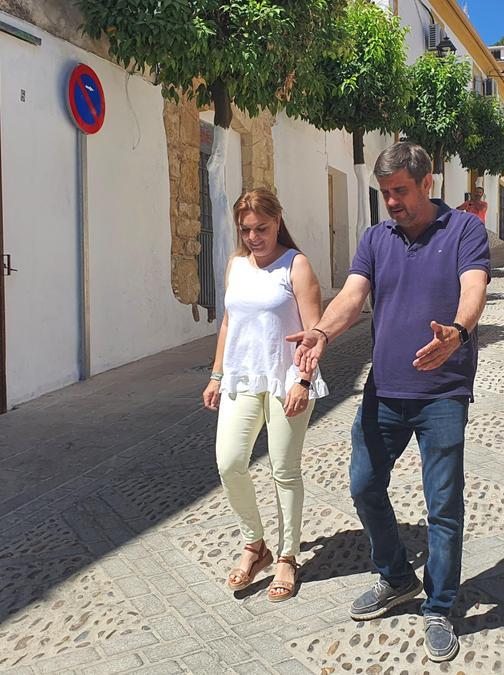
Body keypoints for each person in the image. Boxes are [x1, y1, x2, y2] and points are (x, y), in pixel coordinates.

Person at [287, 142, 490, 662]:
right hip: (384, 391)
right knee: (363, 485)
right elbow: (352, 296)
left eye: (401, 191)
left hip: (443, 393)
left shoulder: (465, 230)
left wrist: (459, 333)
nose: (392, 203)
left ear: (428, 183)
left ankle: (440, 606)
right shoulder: (376, 238)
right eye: (385, 194)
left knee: (443, 505)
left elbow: (474, 289)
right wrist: (322, 333)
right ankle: (397, 576)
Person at [202, 188, 328, 602]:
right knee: (230, 462)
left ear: (277, 222)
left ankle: (287, 557)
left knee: (283, 470)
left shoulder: (297, 265)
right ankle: (255, 545)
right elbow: (228, 324)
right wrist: (217, 374)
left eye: (262, 228)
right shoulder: (236, 265)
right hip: (242, 378)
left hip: (286, 379)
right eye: (246, 230)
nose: (254, 237)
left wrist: (304, 381)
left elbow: (314, 334)